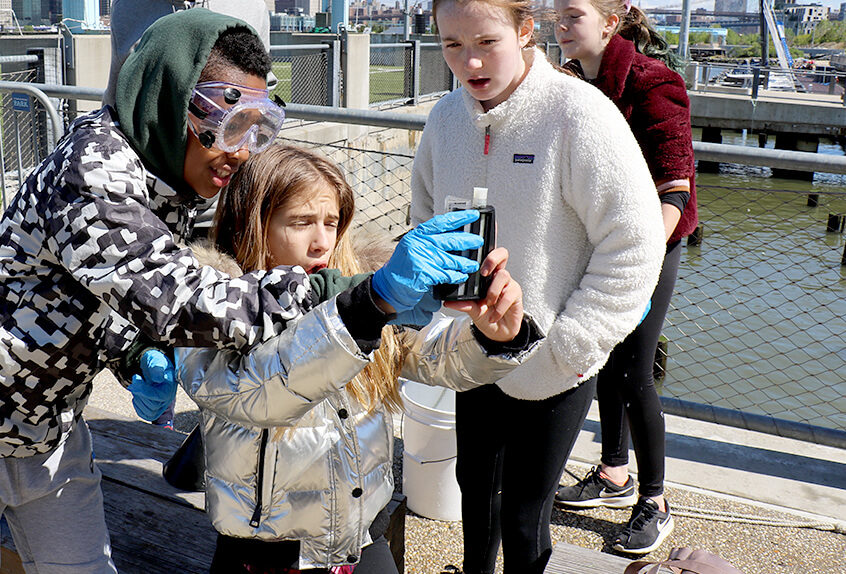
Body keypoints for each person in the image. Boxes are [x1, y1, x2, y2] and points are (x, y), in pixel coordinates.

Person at [0, 10, 482, 573]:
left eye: (260, 127)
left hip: (45, 433)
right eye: (232, 126)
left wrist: (133, 356)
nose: (245, 149)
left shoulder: (164, 180)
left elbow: (99, 297)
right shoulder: (94, 169)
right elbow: (180, 301)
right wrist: (360, 294)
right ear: (171, 101)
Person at [173, 142, 540, 573]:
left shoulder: (360, 288)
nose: (322, 243)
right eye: (301, 222)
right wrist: (365, 310)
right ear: (251, 226)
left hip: (365, 540)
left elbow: (438, 357)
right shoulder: (206, 305)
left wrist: (495, 336)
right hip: (264, 554)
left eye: (333, 223)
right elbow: (255, 393)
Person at [410, 1, 666, 572]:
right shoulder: (445, 119)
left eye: (486, 41)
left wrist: (569, 345)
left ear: (526, 30)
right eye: (452, 44)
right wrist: (438, 315)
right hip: (472, 350)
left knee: (526, 517)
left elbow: (638, 241)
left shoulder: (580, 115)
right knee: (474, 493)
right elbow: (423, 221)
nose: (469, 60)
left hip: (553, 356)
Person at [551, 0, 698, 555]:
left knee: (635, 366)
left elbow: (675, 185)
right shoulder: (569, 83)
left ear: (610, 23)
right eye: (557, 18)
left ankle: (656, 500)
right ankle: (614, 472)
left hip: (654, 238)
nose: (561, 27)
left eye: (574, 16)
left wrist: (638, 259)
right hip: (597, 234)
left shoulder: (654, 81)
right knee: (602, 354)